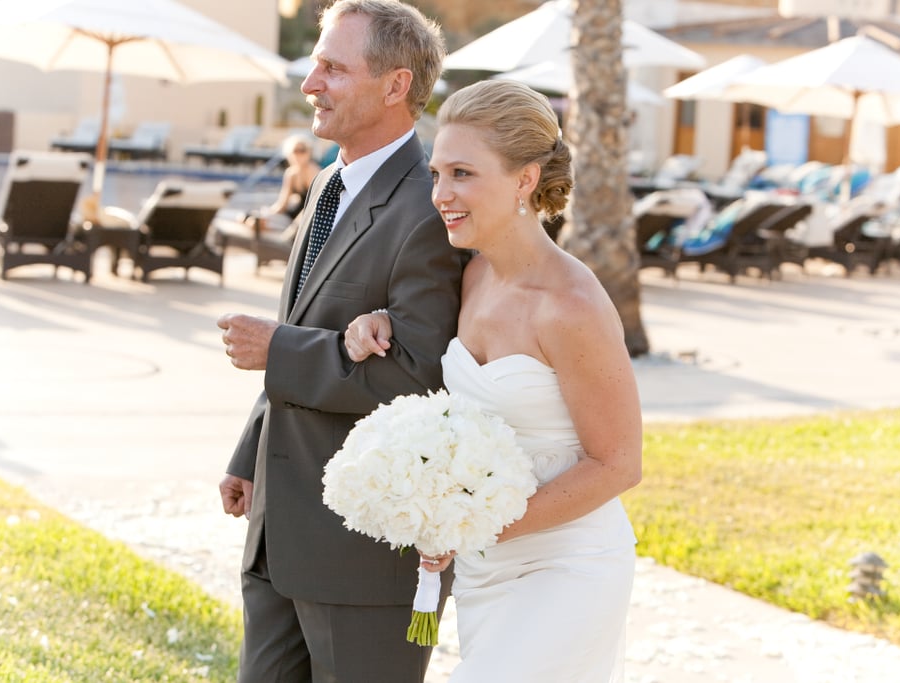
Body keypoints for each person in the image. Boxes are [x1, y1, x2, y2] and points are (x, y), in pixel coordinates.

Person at [344, 79, 643, 682]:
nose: (440, 195)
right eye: (436, 174)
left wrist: (469, 524)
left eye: (462, 174)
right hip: (484, 571)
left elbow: (619, 465)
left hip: (568, 565)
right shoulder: (471, 276)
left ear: (525, 181)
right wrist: (377, 323)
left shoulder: (571, 306)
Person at [215, 1, 464, 681]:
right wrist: (249, 453)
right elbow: (307, 325)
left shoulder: (432, 209)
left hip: (364, 560)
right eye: (314, 64)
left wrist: (278, 350)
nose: (310, 83)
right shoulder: (327, 182)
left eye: (332, 66)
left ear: (395, 86)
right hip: (277, 535)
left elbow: (418, 377)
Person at [247, 135, 323, 233]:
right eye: (295, 151)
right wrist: (266, 214)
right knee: (253, 219)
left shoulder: (312, 171)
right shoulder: (291, 173)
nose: (299, 154)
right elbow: (283, 204)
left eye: (302, 150)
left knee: (264, 224)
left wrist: (295, 227)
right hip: (293, 215)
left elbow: (315, 205)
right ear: (289, 154)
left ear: (309, 152)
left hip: (308, 218)